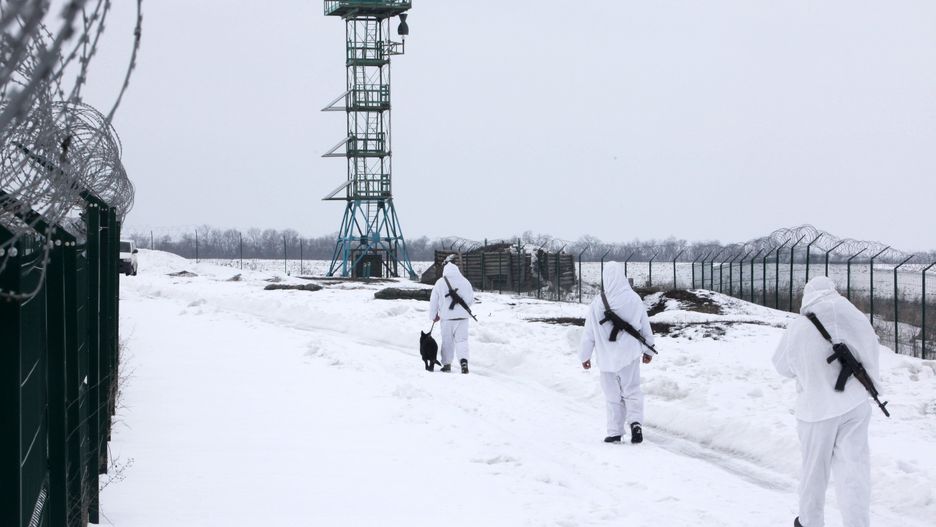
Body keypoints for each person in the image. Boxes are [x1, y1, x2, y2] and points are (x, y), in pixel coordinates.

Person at [772, 276, 883, 527]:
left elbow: (781, 366)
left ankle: (810, 522)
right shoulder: (853, 315)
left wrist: (808, 370)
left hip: (816, 411)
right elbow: (871, 349)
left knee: (814, 473)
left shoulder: (798, 326)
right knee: (854, 471)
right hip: (855, 405)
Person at [580, 262, 654, 444]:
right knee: (632, 391)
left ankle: (614, 432)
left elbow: (588, 332)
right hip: (629, 356)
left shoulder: (597, 303)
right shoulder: (634, 299)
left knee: (612, 396)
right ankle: (635, 423)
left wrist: (585, 356)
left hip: (606, 358)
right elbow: (644, 326)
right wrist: (648, 349)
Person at [429, 259, 475, 374]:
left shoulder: (440, 282)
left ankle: (447, 364)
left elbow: (434, 300)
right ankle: (464, 362)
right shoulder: (465, 282)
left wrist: (433, 315)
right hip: (463, 318)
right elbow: (470, 300)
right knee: (462, 341)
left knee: (447, 341)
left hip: (447, 318)